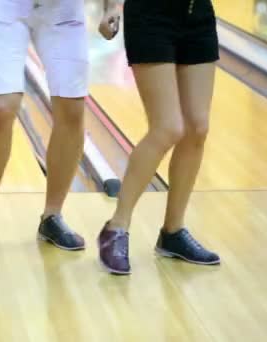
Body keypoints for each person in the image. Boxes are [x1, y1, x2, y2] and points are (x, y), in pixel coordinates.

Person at [0, 0, 88, 254]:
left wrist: (111, 6)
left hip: (63, 9)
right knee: (1, 107)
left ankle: (53, 216)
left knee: (72, 109)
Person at [97, 0, 221, 274]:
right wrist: (111, 8)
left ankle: (173, 232)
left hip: (197, 13)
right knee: (167, 127)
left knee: (197, 127)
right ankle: (117, 227)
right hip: (150, 16)